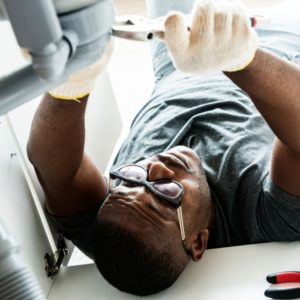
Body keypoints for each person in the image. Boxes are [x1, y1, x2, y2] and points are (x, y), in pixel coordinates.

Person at [27, 0, 300, 296]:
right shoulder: (266, 221)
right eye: (167, 192)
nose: (154, 167)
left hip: (176, 53)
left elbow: (53, 168)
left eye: (131, 178)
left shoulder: (114, 227)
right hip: (279, 49)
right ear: (198, 242)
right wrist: (239, 58)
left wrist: (74, 82)